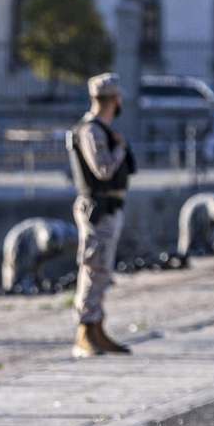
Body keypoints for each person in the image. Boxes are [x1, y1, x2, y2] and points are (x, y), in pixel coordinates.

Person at [68, 72, 135, 359]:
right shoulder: (92, 131)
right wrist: (119, 148)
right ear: (114, 100)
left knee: (102, 270)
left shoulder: (102, 129)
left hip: (109, 206)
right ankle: (85, 332)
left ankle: (96, 328)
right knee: (94, 268)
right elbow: (103, 169)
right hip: (98, 208)